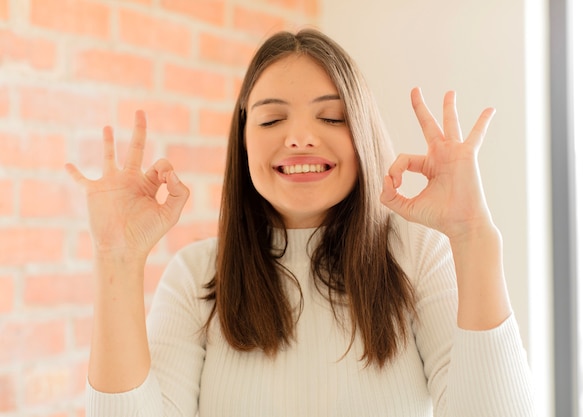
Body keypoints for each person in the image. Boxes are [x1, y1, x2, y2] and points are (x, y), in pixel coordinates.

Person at [66, 28, 536, 416]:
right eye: (272, 122)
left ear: (362, 136)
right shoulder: (196, 277)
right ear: (245, 142)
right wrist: (117, 259)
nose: (299, 139)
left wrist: (473, 234)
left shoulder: (417, 255)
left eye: (330, 117)